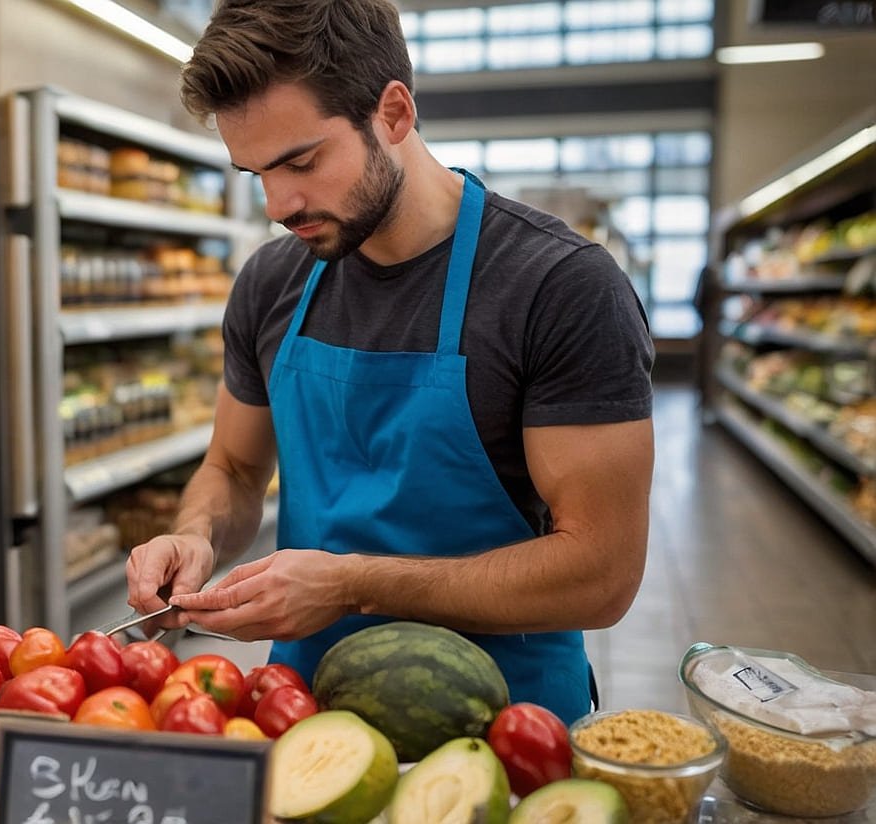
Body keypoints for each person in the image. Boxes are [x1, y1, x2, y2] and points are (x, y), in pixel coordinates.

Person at [124, 0, 654, 724]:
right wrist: (196, 534)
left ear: (395, 113)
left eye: (302, 161)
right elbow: (237, 469)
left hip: (508, 725)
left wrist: (351, 585)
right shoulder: (271, 283)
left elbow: (602, 574)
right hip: (305, 711)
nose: (280, 203)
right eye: (255, 174)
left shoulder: (560, 287)